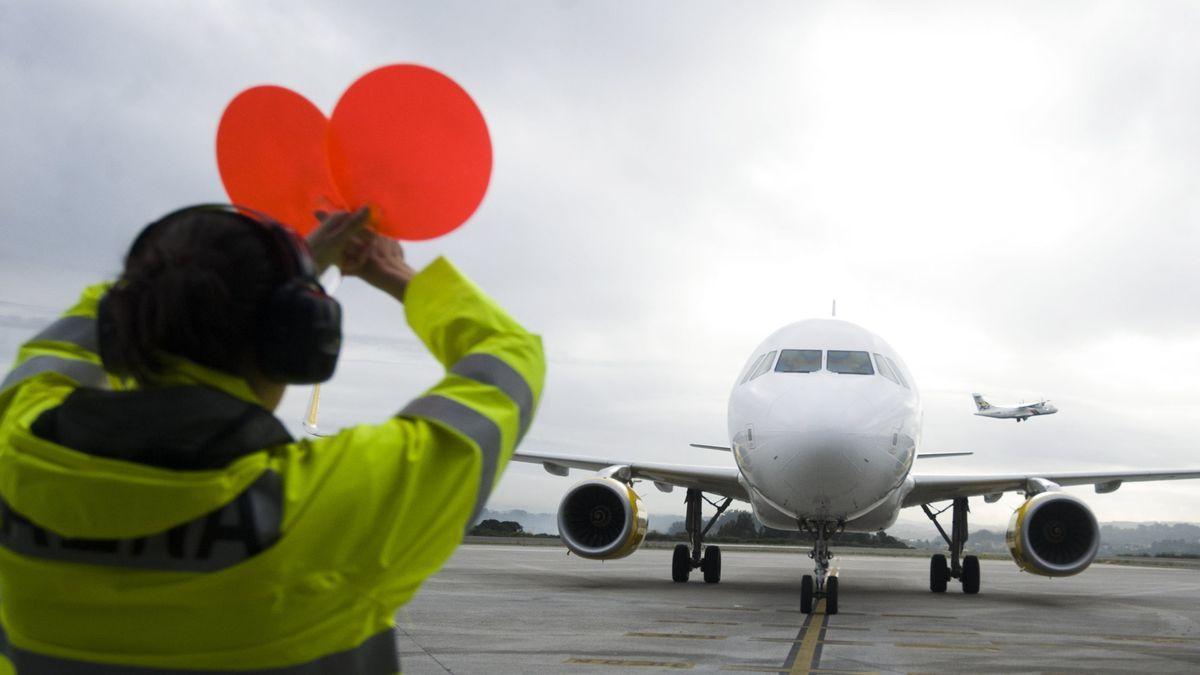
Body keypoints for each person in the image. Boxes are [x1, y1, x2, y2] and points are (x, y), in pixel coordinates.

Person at [0, 205, 544, 673]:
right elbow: (509, 359)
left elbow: (58, 352)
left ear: (120, 320)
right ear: (300, 342)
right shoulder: (328, 505)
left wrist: (176, 286)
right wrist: (390, 269)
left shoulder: (15, 447)